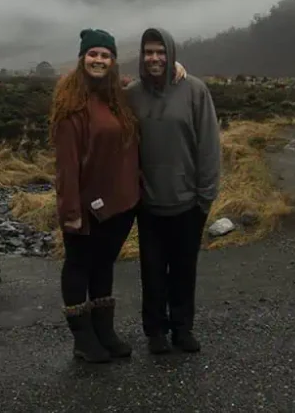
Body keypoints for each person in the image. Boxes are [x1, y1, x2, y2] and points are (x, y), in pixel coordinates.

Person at [126, 27, 222, 354]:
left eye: (160, 52)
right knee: (151, 272)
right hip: (149, 203)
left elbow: (208, 147)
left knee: (183, 270)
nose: (154, 58)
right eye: (148, 52)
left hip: (188, 203)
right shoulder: (132, 95)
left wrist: (205, 198)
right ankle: (155, 331)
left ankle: (183, 328)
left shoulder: (195, 91)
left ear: (170, 54)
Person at [50, 27, 142, 364]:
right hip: (86, 206)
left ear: (113, 61)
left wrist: (179, 71)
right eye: (93, 54)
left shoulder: (115, 97)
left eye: (105, 55)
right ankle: (83, 339)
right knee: (78, 266)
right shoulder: (71, 104)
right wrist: (71, 208)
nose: (99, 60)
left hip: (120, 204)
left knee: (103, 265)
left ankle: (105, 331)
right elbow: (67, 163)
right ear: (82, 58)